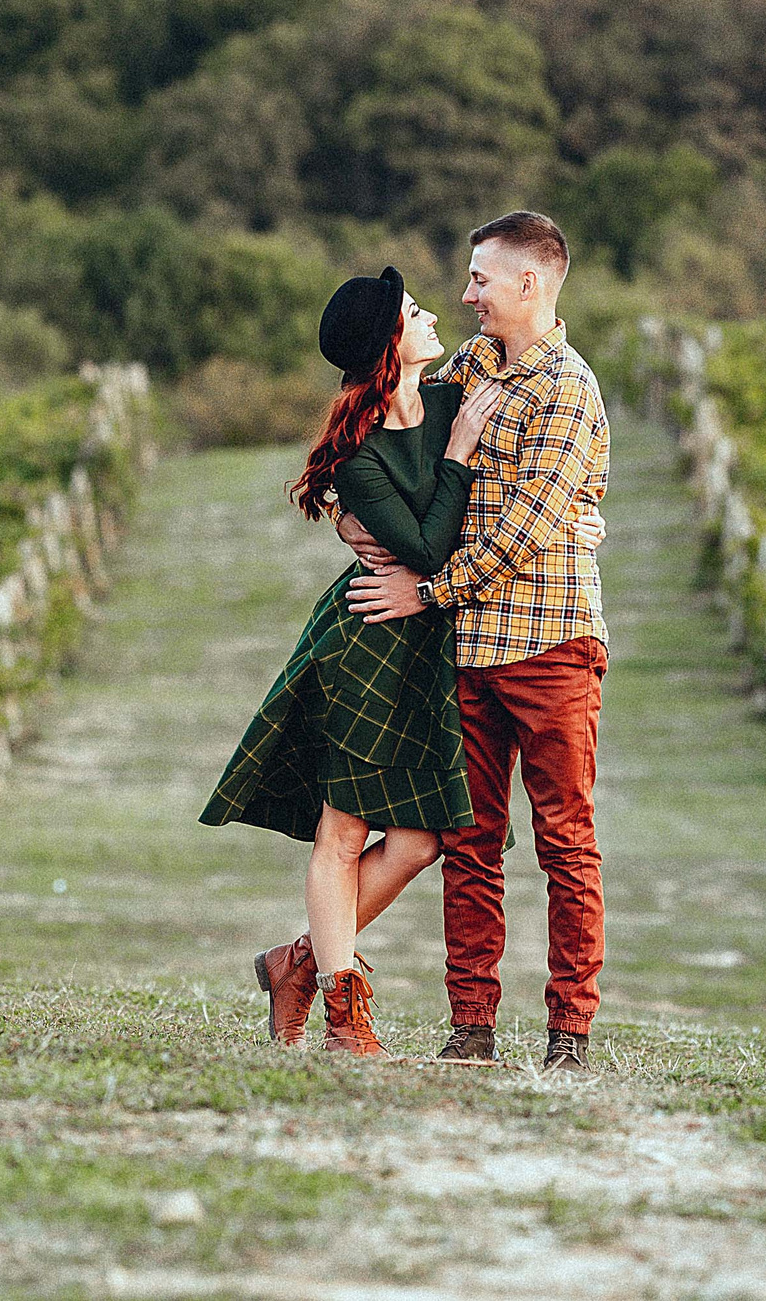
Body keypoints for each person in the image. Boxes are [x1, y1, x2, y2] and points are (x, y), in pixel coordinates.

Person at [199, 267, 504, 1056]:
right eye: (413, 311)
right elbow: (428, 546)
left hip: (430, 649)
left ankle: (296, 961)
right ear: (388, 345)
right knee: (343, 829)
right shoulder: (357, 459)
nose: (433, 314)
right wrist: (461, 456)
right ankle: (344, 1013)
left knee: (422, 839)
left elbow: (438, 551)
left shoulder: (447, 400)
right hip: (367, 643)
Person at [343, 211, 612, 1072]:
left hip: (551, 643)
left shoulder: (568, 388)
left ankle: (569, 1031)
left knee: (565, 840)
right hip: (468, 648)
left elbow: (526, 531)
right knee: (472, 841)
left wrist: (426, 589)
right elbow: (402, 459)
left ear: (528, 284)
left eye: (480, 280)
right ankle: (473, 1025)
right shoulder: (464, 368)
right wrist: (352, 512)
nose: (466, 295)